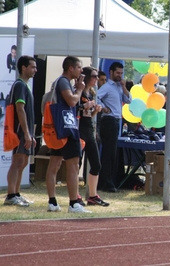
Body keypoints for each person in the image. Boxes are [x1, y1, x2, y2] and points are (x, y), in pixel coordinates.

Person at [46, 56, 92, 213]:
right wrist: (79, 89)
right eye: (79, 68)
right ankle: (74, 203)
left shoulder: (63, 82)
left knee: (55, 164)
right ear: (71, 68)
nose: (81, 71)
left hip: (60, 127)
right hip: (66, 127)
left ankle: (52, 202)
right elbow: (72, 101)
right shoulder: (63, 81)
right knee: (73, 165)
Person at [4, 55, 37, 207]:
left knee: (23, 162)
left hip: (26, 131)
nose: (35, 70)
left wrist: (30, 133)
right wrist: (25, 132)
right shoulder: (20, 85)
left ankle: (16, 193)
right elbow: (20, 108)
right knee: (17, 161)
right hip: (19, 130)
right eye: (33, 67)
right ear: (24, 68)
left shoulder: (26, 85)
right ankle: (11, 195)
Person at [97, 62, 132, 192]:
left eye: (121, 73)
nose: (120, 75)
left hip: (117, 121)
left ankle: (109, 180)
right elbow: (96, 97)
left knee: (113, 153)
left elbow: (129, 100)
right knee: (108, 153)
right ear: (111, 72)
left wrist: (123, 87)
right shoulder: (107, 86)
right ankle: (105, 182)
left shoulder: (118, 86)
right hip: (109, 120)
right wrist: (103, 108)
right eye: (117, 73)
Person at [78, 67, 109, 206]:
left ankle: (92, 195)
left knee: (96, 164)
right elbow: (74, 108)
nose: (97, 79)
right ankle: (75, 196)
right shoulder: (78, 91)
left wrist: (95, 111)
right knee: (76, 165)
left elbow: (87, 115)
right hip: (79, 131)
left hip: (89, 129)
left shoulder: (90, 93)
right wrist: (85, 105)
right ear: (86, 77)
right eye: (95, 76)